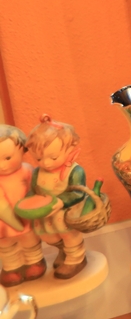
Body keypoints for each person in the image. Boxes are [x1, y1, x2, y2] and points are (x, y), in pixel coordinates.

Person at [26, 117, 87, 280]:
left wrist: (61, 201)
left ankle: (76, 258)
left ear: (71, 148)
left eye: (53, 157)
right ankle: (64, 250)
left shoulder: (75, 171)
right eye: (39, 159)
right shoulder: (38, 172)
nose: (46, 163)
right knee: (47, 235)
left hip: (66, 210)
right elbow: (34, 191)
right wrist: (29, 202)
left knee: (68, 233)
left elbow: (78, 193)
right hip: (46, 212)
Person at [0, 126, 45, 286]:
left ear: (23, 151)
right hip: (3, 224)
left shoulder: (27, 171)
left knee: (30, 241)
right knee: (6, 246)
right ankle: (12, 268)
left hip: (26, 218)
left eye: (7, 158)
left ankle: (34, 261)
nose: (2, 165)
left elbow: (36, 189)